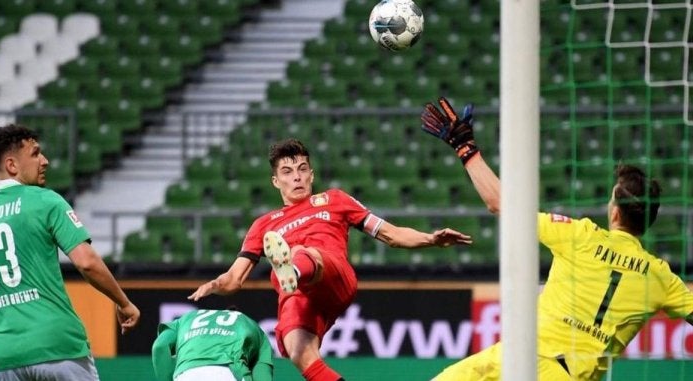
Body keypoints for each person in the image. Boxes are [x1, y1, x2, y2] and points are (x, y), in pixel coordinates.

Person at [420, 98, 693, 380]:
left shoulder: (580, 235)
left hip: (521, 358)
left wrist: (466, 148)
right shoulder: (661, 277)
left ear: (614, 212)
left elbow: (502, 204)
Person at [189, 138, 473, 381]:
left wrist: (431, 239)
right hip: (297, 293)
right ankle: (290, 272)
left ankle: (293, 269)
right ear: (276, 181)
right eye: (287, 172)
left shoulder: (335, 200)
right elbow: (234, 278)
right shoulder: (263, 225)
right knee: (298, 351)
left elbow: (391, 234)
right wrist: (216, 284)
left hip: (331, 274)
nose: (296, 177)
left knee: (301, 254)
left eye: (302, 170)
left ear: (311, 174)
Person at [0, 124, 140, 380]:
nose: (45, 161)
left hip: (3, 355)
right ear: (12, 165)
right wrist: (124, 303)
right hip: (56, 345)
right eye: (36, 154)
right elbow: (87, 263)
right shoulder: (44, 200)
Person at [152, 308, 274, 381]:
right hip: (229, 373)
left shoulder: (186, 318)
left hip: (187, 374)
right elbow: (262, 376)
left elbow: (159, 347)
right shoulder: (253, 327)